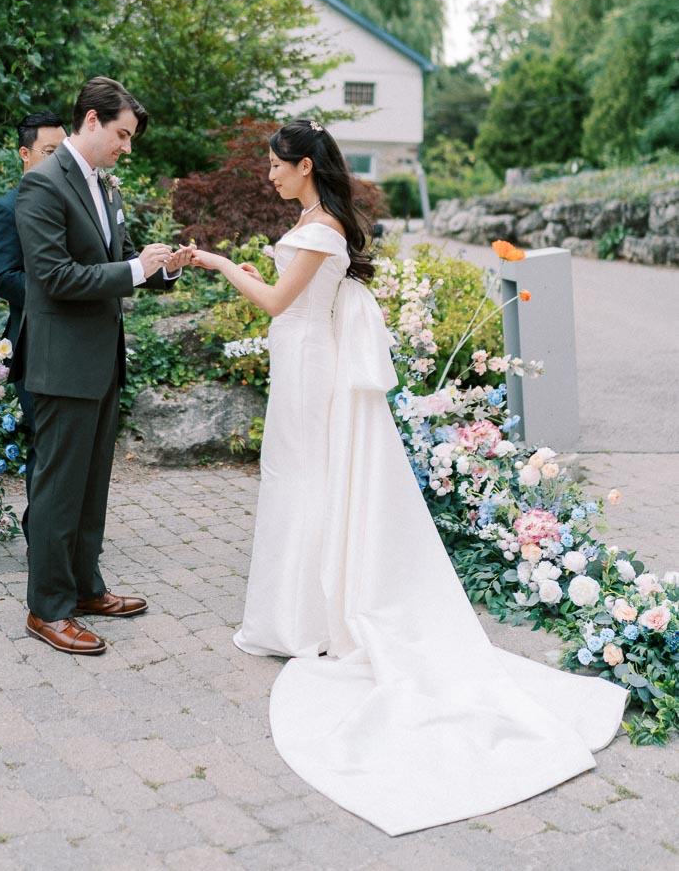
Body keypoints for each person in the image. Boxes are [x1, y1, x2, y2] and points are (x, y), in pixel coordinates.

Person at [190, 117, 627, 836]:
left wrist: (215, 264)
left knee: (303, 485)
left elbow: (275, 302)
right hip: (299, 361)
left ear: (303, 166)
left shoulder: (324, 229)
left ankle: (308, 618)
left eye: (276, 164)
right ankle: (299, 611)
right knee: (296, 484)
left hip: (308, 364)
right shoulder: (315, 218)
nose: (267, 174)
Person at [13, 77, 193, 656]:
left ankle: (86, 590)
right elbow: (56, 278)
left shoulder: (104, 185)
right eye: (122, 134)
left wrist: (162, 267)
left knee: (92, 490)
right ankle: (47, 608)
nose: (127, 147)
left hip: (101, 361)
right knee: (58, 491)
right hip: (62, 364)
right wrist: (135, 270)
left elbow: (117, 264)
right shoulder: (42, 185)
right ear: (90, 121)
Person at [0, 109, 67, 543]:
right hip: (34, 342)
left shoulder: (74, 204)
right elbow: (4, 279)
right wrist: (63, 288)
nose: (58, 161)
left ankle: (64, 534)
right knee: (47, 445)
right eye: (50, 152)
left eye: (63, 151)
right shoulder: (5, 209)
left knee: (69, 447)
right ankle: (42, 537)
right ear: (25, 153)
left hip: (76, 342)